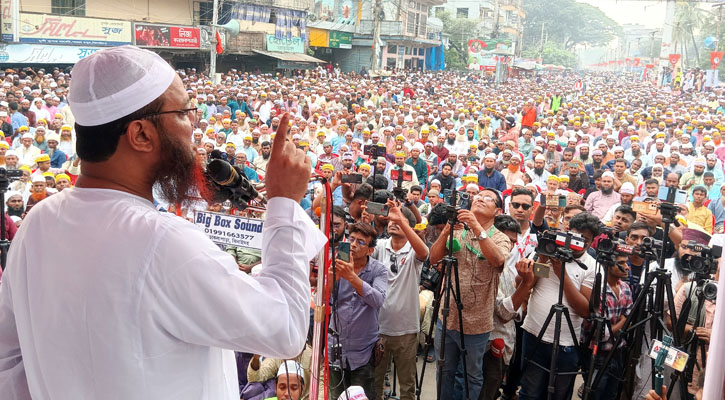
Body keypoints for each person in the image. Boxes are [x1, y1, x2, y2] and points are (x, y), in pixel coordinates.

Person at [0, 46, 327, 399]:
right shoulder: (162, 243)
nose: (194, 125)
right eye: (185, 112)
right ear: (141, 134)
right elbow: (287, 329)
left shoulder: (37, 224)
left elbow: (10, 364)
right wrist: (284, 203)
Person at [429, 188, 511, 400]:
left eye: (488, 199)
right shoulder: (457, 229)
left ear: (498, 211)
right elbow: (433, 258)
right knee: (444, 371)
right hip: (446, 318)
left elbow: (498, 261)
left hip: (477, 323)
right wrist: (447, 230)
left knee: (471, 376)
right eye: (478, 196)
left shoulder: (501, 238)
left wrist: (476, 226)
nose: (481, 199)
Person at [517, 212, 600, 400]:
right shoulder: (546, 249)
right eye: (576, 237)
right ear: (567, 232)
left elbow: (585, 310)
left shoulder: (592, 266)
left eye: (585, 241)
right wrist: (543, 259)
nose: (579, 244)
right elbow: (524, 284)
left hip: (567, 343)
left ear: (592, 242)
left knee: (560, 395)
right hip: (534, 335)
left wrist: (561, 272)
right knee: (529, 393)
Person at [372, 200, 429, 400]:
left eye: (400, 219)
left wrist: (402, 219)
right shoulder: (379, 246)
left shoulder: (414, 250)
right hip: (378, 328)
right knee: (376, 383)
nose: (393, 221)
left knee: (407, 386)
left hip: (406, 329)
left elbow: (424, 252)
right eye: (391, 218)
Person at [328, 222, 387, 400]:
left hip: (363, 351)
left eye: (360, 242)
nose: (353, 244)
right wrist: (333, 279)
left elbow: (378, 300)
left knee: (363, 396)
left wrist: (352, 277)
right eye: (351, 239)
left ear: (370, 250)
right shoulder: (338, 263)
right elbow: (324, 301)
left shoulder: (378, 270)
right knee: (336, 396)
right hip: (336, 348)